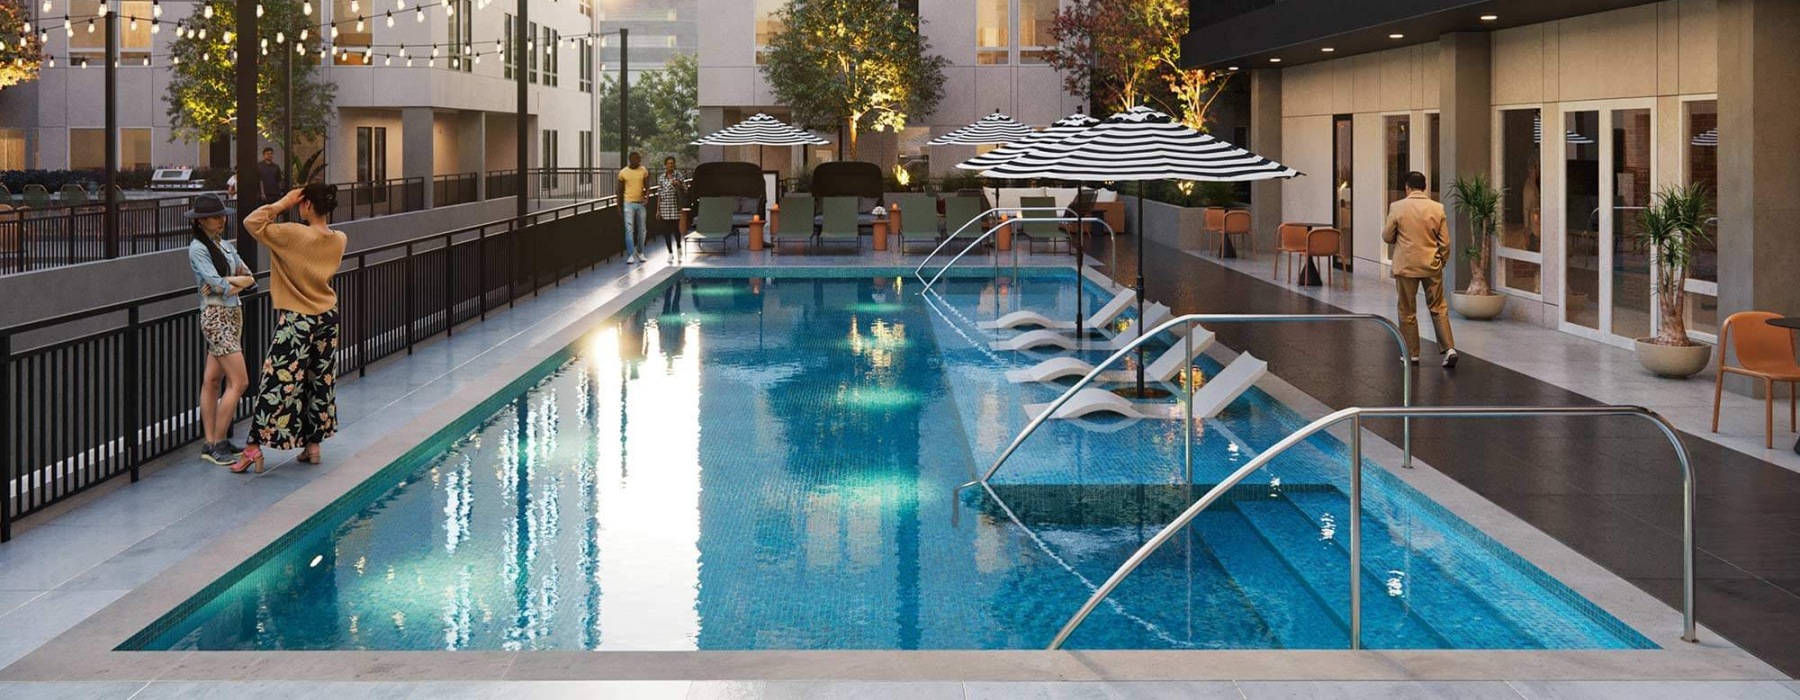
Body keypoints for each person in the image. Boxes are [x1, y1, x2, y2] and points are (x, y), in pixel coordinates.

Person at [231, 184, 347, 473]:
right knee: (319, 381)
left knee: (276, 384)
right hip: (328, 317)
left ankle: (253, 447)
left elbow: (252, 221)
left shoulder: (293, 234)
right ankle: (313, 445)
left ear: (305, 204)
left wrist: (284, 201)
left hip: (297, 320)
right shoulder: (339, 239)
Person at [185, 194, 257, 467]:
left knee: (213, 380)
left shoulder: (225, 245)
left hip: (232, 315)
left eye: (222, 215)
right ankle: (217, 442)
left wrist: (228, 280)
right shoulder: (197, 248)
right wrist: (229, 282)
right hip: (216, 317)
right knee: (240, 381)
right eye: (216, 216)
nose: (221, 220)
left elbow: (248, 277)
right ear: (201, 221)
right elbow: (218, 286)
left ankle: (211, 441)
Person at [1383, 170, 1458, 368]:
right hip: (1431, 265)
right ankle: (1449, 348)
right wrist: (1441, 261)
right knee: (1438, 307)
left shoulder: (1397, 207)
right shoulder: (1437, 208)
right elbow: (1445, 242)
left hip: (1406, 266)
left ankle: (1411, 353)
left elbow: (1387, 236)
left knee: (1407, 310)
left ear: (1407, 187)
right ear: (1424, 187)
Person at [617, 152, 649, 264]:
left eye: (640, 159)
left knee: (642, 230)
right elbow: (619, 190)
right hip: (628, 203)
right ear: (631, 159)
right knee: (629, 230)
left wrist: (647, 197)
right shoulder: (623, 172)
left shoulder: (643, 171)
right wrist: (618, 206)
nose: (639, 161)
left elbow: (647, 185)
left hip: (640, 203)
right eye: (637, 159)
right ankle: (630, 254)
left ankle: (640, 252)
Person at [655, 156, 687, 262]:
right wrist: (658, 210)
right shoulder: (661, 178)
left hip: (674, 207)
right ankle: (670, 252)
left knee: (676, 230)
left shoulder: (678, 176)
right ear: (665, 165)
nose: (670, 165)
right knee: (666, 231)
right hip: (664, 207)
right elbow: (659, 194)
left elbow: (685, 189)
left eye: (672, 163)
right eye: (668, 163)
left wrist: (679, 185)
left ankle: (678, 246)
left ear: (674, 164)